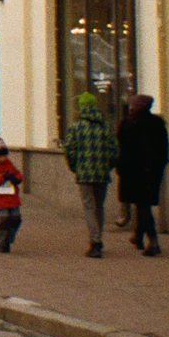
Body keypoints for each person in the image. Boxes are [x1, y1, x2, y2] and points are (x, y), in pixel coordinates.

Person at [62, 92, 118, 258]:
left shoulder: (76, 127)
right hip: (101, 173)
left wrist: (75, 167)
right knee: (99, 206)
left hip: (84, 173)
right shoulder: (106, 127)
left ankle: (94, 240)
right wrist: (107, 166)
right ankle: (98, 238)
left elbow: (69, 150)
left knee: (88, 206)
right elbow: (114, 151)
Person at [116, 94, 168, 256]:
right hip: (152, 171)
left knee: (142, 206)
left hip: (132, 171)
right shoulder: (157, 124)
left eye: (132, 106)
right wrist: (159, 167)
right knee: (142, 204)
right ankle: (138, 236)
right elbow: (163, 150)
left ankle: (153, 242)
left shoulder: (127, 124)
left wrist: (120, 167)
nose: (130, 108)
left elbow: (120, 149)